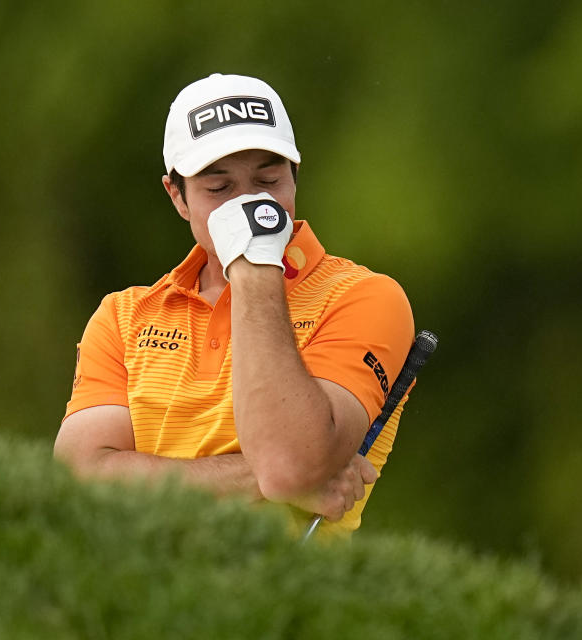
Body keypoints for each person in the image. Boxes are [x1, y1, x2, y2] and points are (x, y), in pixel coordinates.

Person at [53, 73, 414, 537]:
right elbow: (76, 478)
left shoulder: (362, 297)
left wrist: (253, 268)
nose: (247, 205)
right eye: (219, 189)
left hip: (284, 600)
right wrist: (258, 479)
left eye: (267, 180)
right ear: (176, 196)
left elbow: (286, 464)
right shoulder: (123, 317)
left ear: (295, 177)